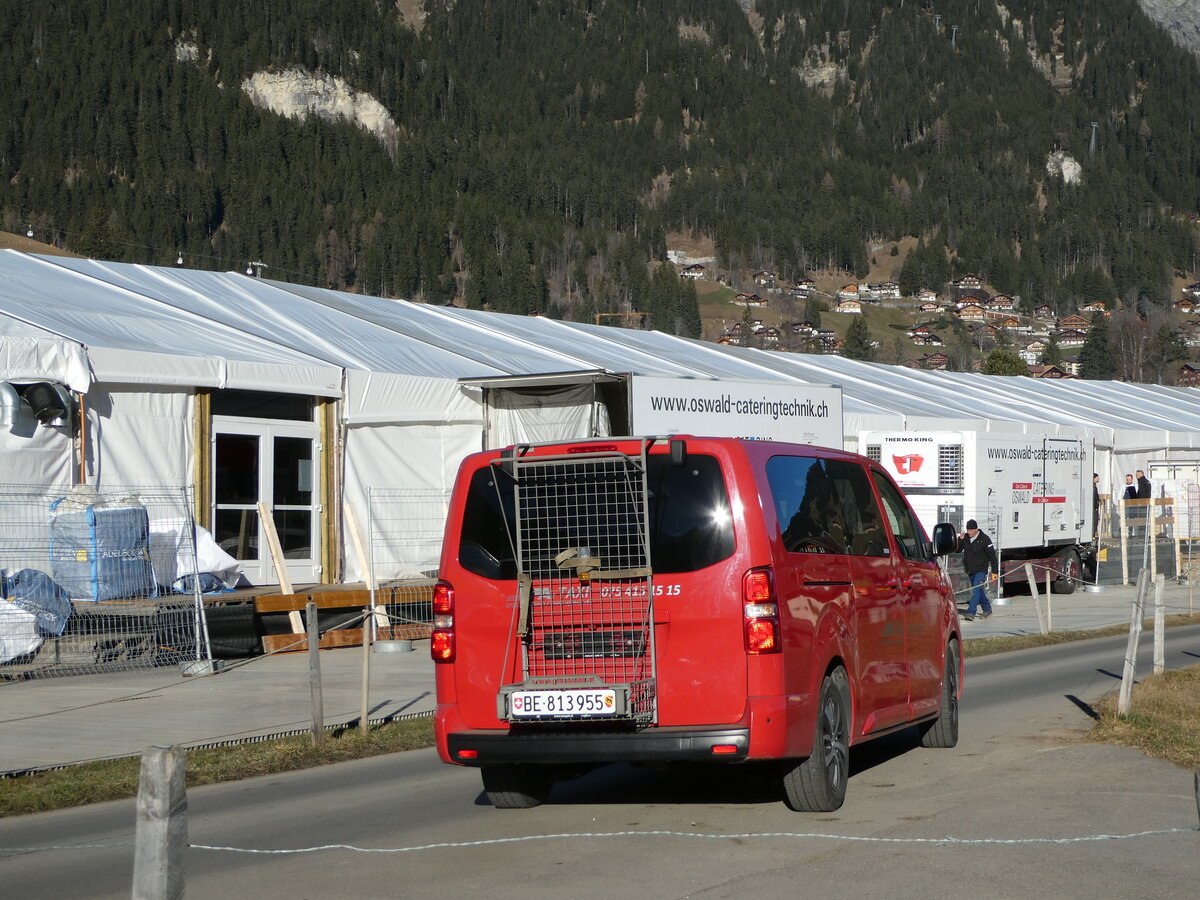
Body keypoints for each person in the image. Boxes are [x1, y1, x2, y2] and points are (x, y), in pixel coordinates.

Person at [957, 519, 998, 621]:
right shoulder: (965, 538)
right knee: (979, 591)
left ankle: (971, 612)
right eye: (968, 530)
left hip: (981, 570)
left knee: (975, 591)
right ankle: (987, 609)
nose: (969, 532)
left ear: (976, 529)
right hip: (970, 570)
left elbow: (992, 556)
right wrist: (960, 540)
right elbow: (957, 550)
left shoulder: (985, 539)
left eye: (971, 530)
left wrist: (995, 572)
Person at [1092, 473, 1100, 540]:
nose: (1098, 479)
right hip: (1093, 508)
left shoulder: (1094, 486)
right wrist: (1096, 506)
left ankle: (1093, 534)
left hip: (1093, 507)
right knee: (1094, 521)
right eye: (1097, 477)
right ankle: (1093, 535)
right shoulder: (1093, 487)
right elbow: (1094, 498)